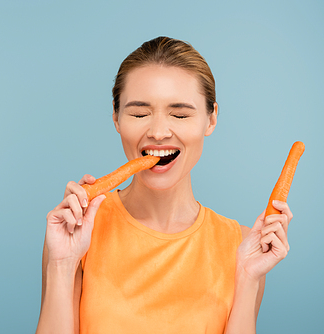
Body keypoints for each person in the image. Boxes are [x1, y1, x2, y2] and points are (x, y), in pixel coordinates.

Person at [36, 36, 293, 334]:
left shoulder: (243, 247)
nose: (158, 132)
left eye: (180, 114)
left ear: (211, 119)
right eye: (139, 114)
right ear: (117, 118)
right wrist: (61, 264)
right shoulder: (78, 230)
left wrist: (248, 278)